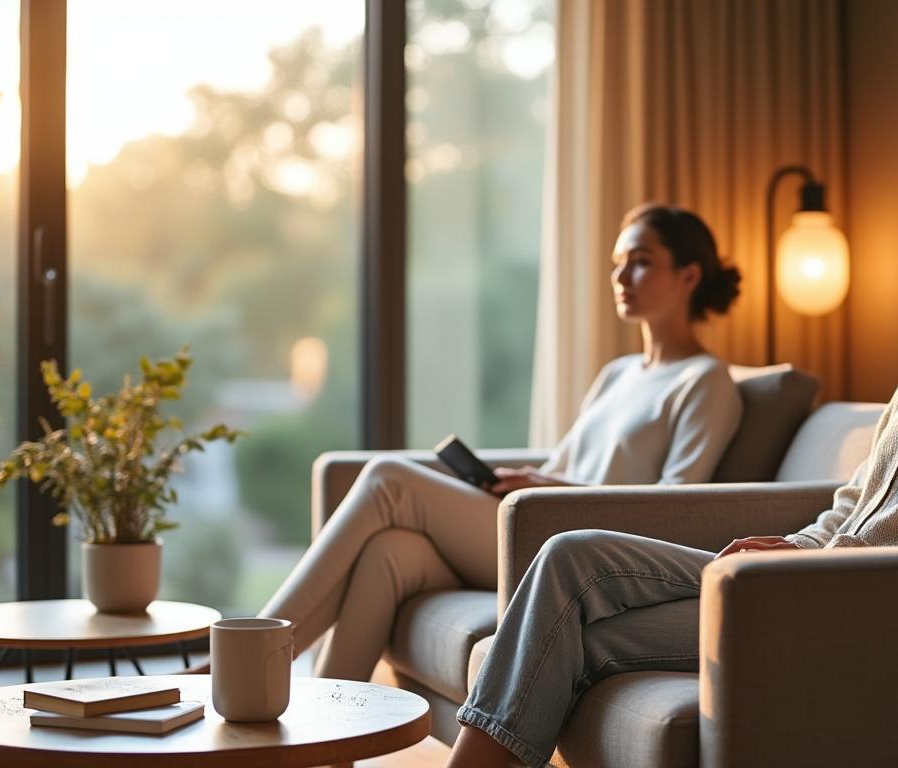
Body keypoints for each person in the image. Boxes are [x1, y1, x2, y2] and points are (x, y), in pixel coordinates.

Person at [447, 114, 898, 767]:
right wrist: (800, 549)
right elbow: (858, 500)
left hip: (875, 606)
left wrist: (823, 568)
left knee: (581, 638)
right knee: (570, 554)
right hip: (811, 577)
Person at [245, 203, 744, 682]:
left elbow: (673, 507)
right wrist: (528, 482)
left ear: (689, 275)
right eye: (618, 262)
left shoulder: (705, 381)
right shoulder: (619, 374)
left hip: (575, 551)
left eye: (641, 262)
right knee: (389, 553)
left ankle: (241, 659)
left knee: (387, 479)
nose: (621, 276)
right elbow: (566, 465)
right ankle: (326, 727)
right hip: (541, 519)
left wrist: (550, 488)